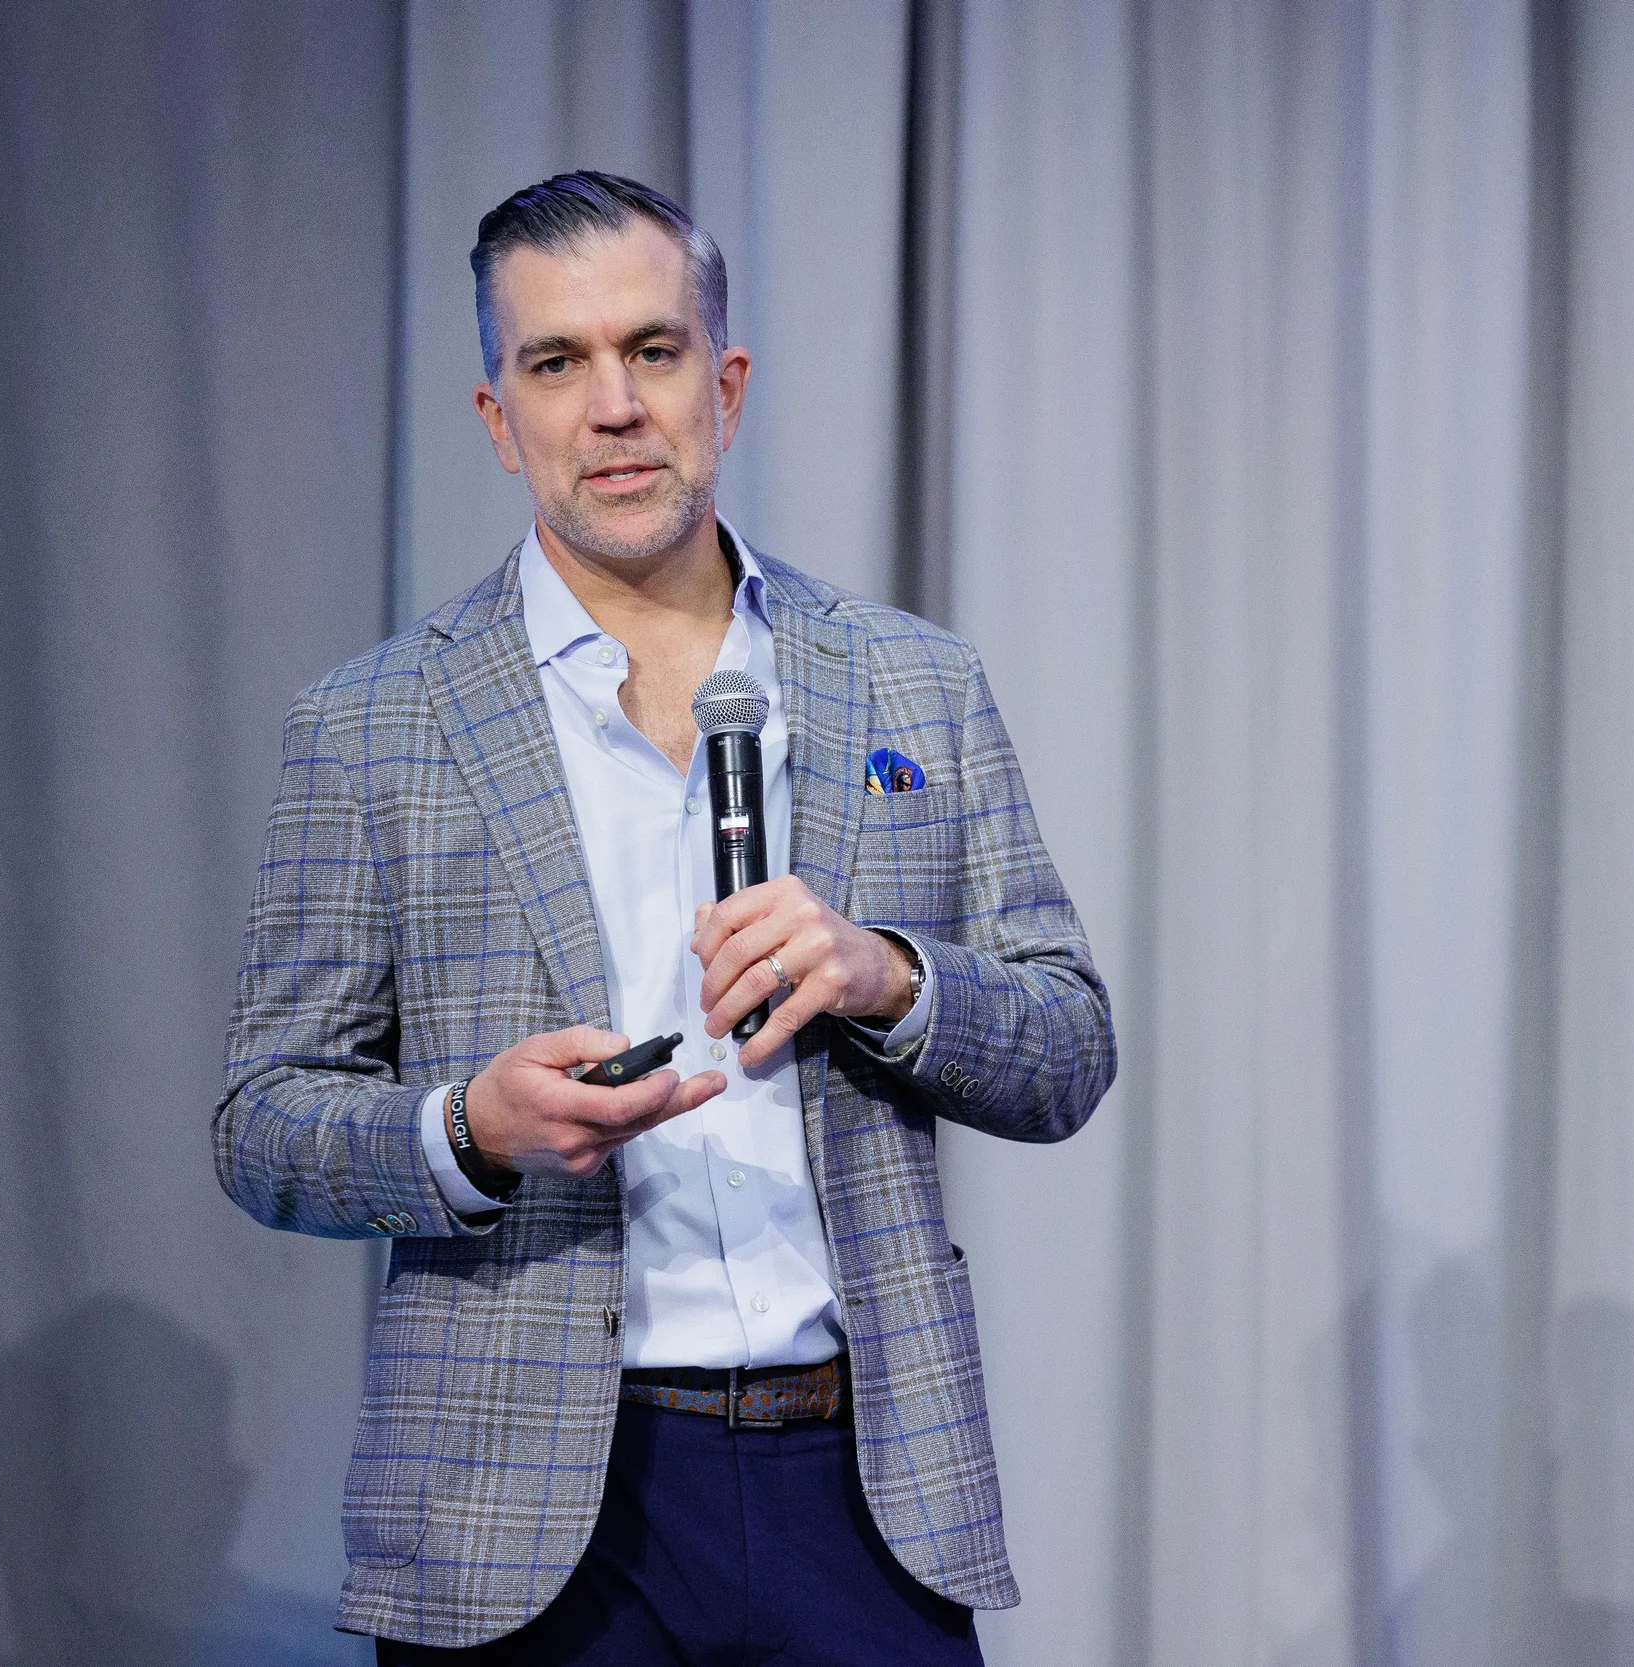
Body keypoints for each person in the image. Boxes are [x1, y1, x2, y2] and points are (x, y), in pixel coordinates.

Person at [216, 170, 1114, 1664]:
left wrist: (887, 975)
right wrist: (467, 1132)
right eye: (556, 364)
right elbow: (260, 1122)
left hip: (862, 1489)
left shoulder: (913, 683)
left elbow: (1068, 1048)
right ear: (500, 419)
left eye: (653, 350)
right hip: (524, 1516)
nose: (614, 406)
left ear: (728, 381)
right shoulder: (373, 724)